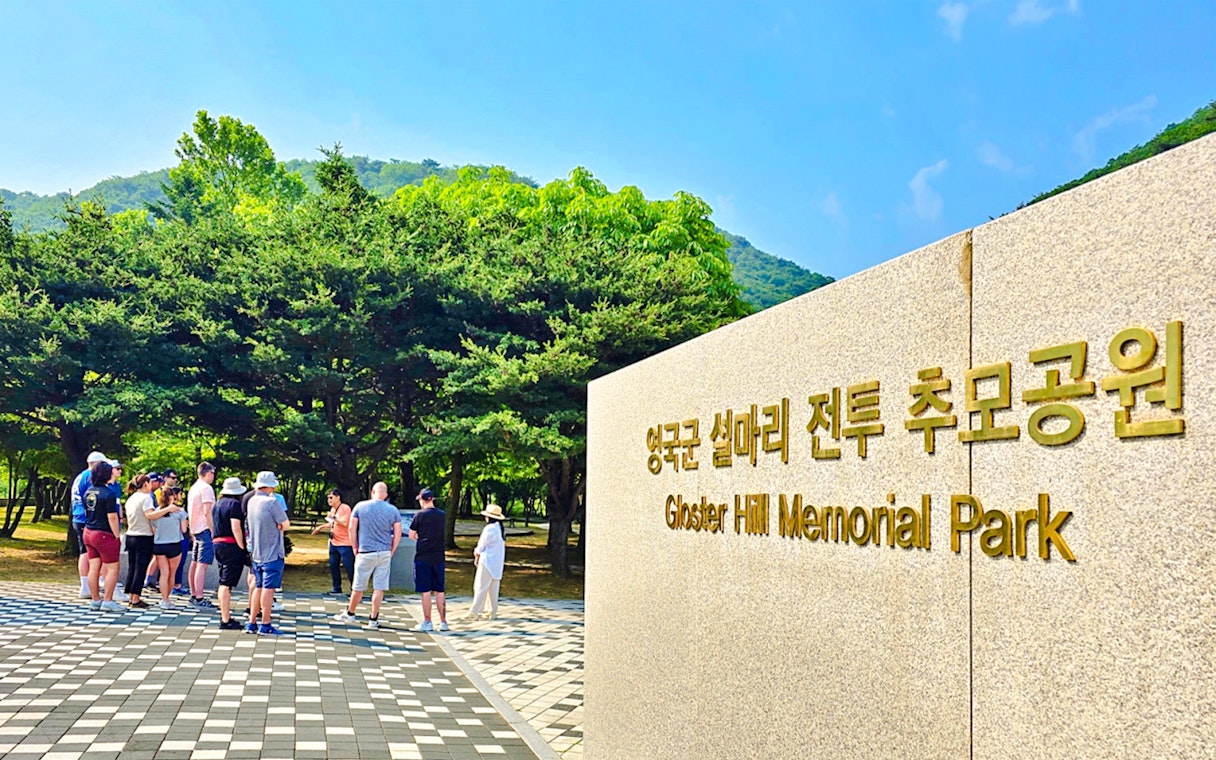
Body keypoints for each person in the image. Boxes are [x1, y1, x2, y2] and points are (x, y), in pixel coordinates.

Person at [332, 482, 401, 630]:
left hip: (365, 551)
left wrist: (354, 546)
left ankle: (350, 613)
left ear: (372, 492)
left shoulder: (360, 506)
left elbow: (352, 528)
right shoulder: (393, 510)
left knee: (358, 586)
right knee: (379, 587)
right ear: (386, 494)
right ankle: (373, 619)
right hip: (384, 552)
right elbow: (398, 533)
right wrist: (392, 549)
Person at [245, 471, 288, 636]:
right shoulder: (272, 502)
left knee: (258, 586)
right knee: (268, 589)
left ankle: (252, 622)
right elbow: (285, 524)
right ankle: (266, 623)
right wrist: (279, 525)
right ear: (271, 485)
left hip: (257, 552)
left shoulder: (251, 501)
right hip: (273, 552)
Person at [82, 460, 125, 612]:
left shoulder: (88, 491)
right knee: (113, 568)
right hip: (104, 534)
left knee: (93, 567)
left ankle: (95, 600)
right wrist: (116, 535)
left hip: (88, 531)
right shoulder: (109, 493)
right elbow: (112, 517)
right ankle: (108, 600)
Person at [122, 471, 166, 609]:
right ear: (146, 484)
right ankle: (136, 598)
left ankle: (131, 596)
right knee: (140, 568)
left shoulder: (131, 498)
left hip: (130, 535)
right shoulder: (146, 498)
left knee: (133, 567)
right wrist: (167, 509)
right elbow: (150, 515)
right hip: (143, 536)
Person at [408, 488, 448, 632]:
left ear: (422, 500)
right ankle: (443, 622)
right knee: (439, 590)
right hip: (439, 556)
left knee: (425, 591)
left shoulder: (419, 515)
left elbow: (411, 534)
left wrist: (420, 537)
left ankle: (427, 621)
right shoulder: (442, 515)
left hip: (423, 556)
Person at [212, 477, 248, 630]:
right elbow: (236, 527)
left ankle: (224, 615)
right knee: (227, 583)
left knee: (223, 581)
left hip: (217, 543)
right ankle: (225, 619)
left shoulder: (217, 504)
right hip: (230, 545)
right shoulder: (234, 505)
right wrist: (242, 547)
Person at [71, 451, 108, 598]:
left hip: (78, 517)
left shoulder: (80, 476)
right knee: (91, 553)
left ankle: (86, 585)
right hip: (86, 518)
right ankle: (90, 585)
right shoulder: (90, 476)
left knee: (84, 552)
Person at [467, 503, 508, 621]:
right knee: (493, 588)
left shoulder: (489, 529)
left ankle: (474, 611)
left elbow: (481, 545)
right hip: (497, 563)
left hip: (487, 561)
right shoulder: (500, 529)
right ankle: (492, 611)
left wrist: (476, 554)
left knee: (480, 586)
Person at [151, 487, 188, 610]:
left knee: (164, 573)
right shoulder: (180, 512)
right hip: (174, 544)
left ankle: (164, 599)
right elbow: (184, 530)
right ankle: (167, 598)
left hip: (159, 545)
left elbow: (153, 530)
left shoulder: (156, 512)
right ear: (172, 497)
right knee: (172, 574)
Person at [311, 489, 354, 596]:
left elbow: (345, 522)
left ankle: (355, 589)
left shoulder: (345, 508)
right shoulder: (333, 509)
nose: (329, 500)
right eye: (328, 498)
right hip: (334, 541)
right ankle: (336, 588)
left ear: (338, 497)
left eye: (331, 497)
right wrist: (320, 527)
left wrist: (333, 516)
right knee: (333, 565)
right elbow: (333, 523)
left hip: (345, 543)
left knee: (349, 566)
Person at [187, 462, 217, 609]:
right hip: (205, 529)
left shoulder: (194, 487)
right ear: (209, 473)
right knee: (202, 564)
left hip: (195, 529)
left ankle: (194, 594)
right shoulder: (206, 488)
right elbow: (207, 511)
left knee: (195, 562)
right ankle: (199, 597)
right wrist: (213, 529)